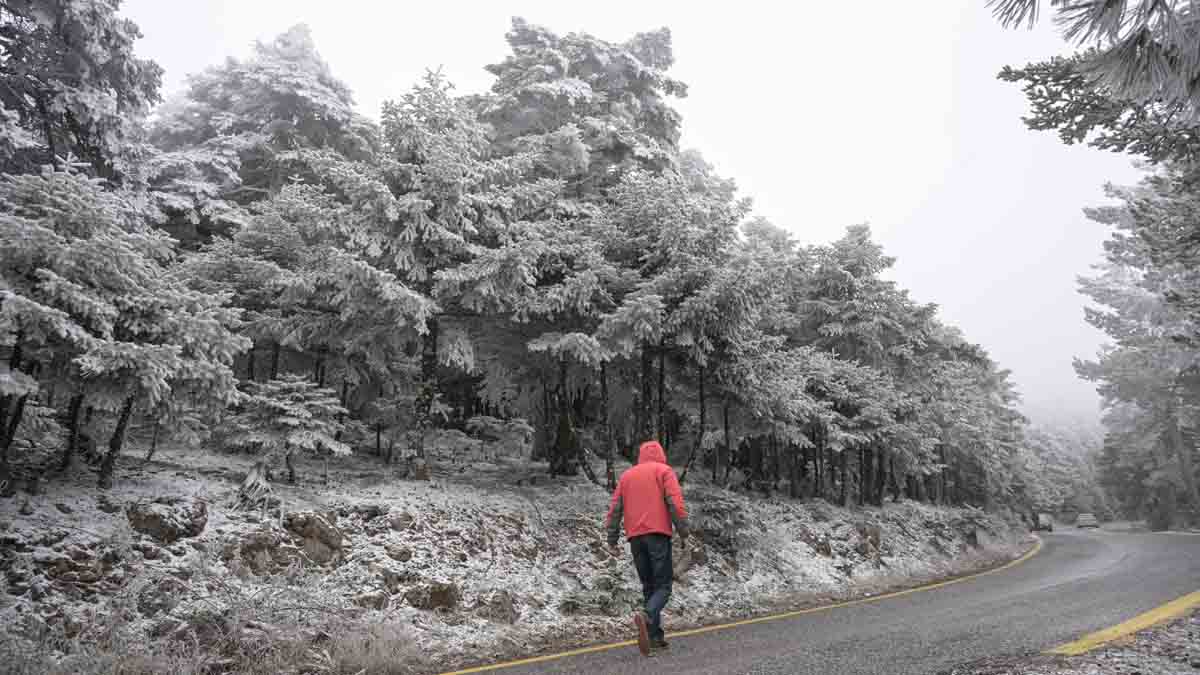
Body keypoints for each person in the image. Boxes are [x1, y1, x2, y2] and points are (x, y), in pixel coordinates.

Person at [605, 439, 689, 656]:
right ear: (661, 455)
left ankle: (654, 637)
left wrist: (612, 539)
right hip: (658, 534)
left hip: (635, 538)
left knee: (649, 586)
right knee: (664, 586)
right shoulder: (664, 471)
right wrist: (684, 533)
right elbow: (675, 503)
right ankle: (647, 615)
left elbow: (615, 509)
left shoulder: (627, 476)